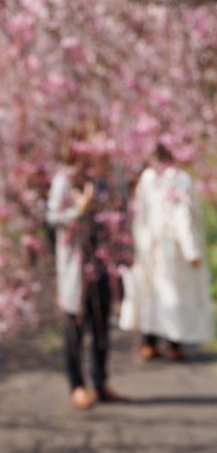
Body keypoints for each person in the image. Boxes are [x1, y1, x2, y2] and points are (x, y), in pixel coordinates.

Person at [46, 138, 130, 410]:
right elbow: (52, 217)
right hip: (77, 263)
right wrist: (78, 210)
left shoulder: (112, 177)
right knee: (75, 322)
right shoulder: (66, 180)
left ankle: (100, 381)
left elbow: (124, 212)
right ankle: (77, 385)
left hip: (105, 260)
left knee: (102, 322)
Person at [119, 141, 214, 360]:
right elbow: (183, 218)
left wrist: (138, 244)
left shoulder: (148, 177)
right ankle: (173, 343)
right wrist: (191, 250)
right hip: (172, 248)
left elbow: (139, 215)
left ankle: (149, 341)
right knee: (174, 294)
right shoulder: (178, 178)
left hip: (150, 245)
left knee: (152, 292)